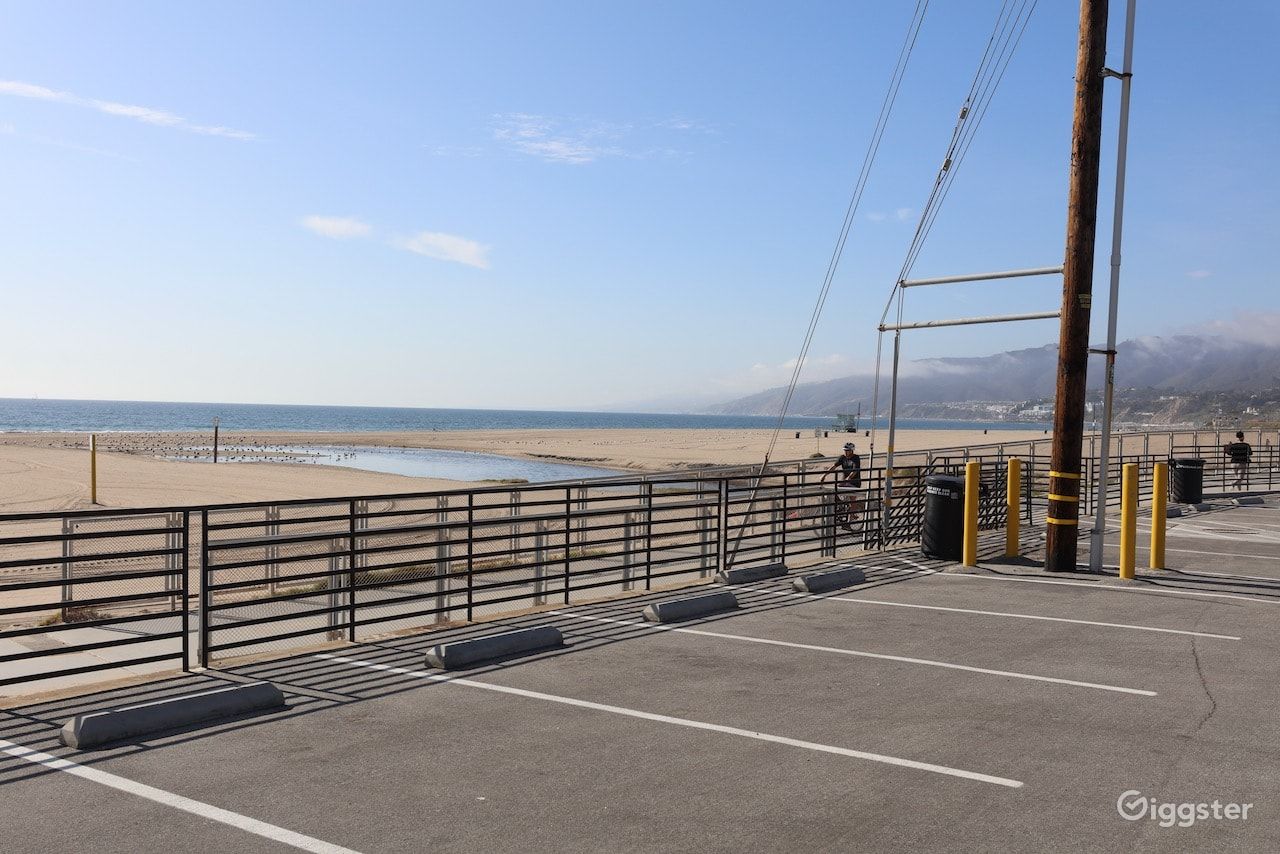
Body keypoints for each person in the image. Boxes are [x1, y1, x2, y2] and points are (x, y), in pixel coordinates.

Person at [826, 442, 862, 531]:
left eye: (848, 451)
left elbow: (855, 470)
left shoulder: (856, 458)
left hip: (854, 483)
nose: (846, 452)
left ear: (852, 451)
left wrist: (849, 477)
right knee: (833, 491)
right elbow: (834, 467)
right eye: (845, 450)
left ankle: (849, 522)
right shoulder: (842, 458)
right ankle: (841, 506)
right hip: (845, 482)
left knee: (852, 500)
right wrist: (824, 475)